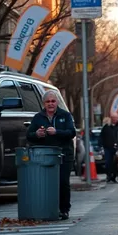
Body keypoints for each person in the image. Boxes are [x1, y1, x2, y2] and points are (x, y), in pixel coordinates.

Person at [26, 90, 76, 220]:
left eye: (53, 101)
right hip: (45, 155)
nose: (50, 104)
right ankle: (48, 208)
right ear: (44, 103)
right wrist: (37, 134)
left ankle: (64, 209)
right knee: (47, 183)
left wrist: (57, 132)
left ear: (57, 102)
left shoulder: (65, 115)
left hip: (64, 154)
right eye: (48, 102)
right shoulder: (38, 117)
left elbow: (72, 132)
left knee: (63, 182)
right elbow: (29, 135)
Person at [100, 114, 118, 182]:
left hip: (117, 148)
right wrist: (102, 146)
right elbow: (101, 137)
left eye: (116, 118)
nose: (114, 119)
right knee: (108, 162)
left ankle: (114, 176)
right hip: (107, 148)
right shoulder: (106, 127)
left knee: (116, 162)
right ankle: (109, 176)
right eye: (113, 118)